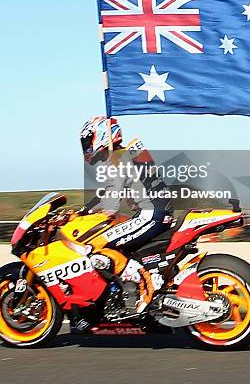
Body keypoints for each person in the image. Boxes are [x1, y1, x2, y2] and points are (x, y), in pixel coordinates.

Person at [72, 115, 174, 331]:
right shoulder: (128, 152)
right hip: (158, 211)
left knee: (99, 245)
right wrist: (85, 209)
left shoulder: (116, 158)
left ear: (99, 135)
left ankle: (145, 289)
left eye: (87, 140)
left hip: (150, 214)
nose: (86, 146)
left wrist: (85, 218)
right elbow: (107, 192)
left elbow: (110, 206)